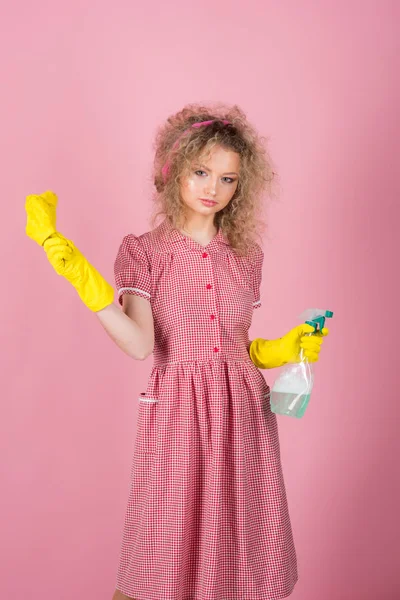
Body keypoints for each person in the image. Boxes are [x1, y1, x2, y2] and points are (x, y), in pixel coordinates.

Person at [25, 103, 328, 600]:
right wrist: (84, 278)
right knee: (161, 552)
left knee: (240, 546)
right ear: (174, 171)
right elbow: (141, 345)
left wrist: (280, 349)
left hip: (243, 415)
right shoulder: (145, 252)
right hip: (179, 415)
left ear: (242, 186)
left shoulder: (246, 256)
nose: (213, 188)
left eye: (228, 179)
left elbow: (236, 346)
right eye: (201, 172)